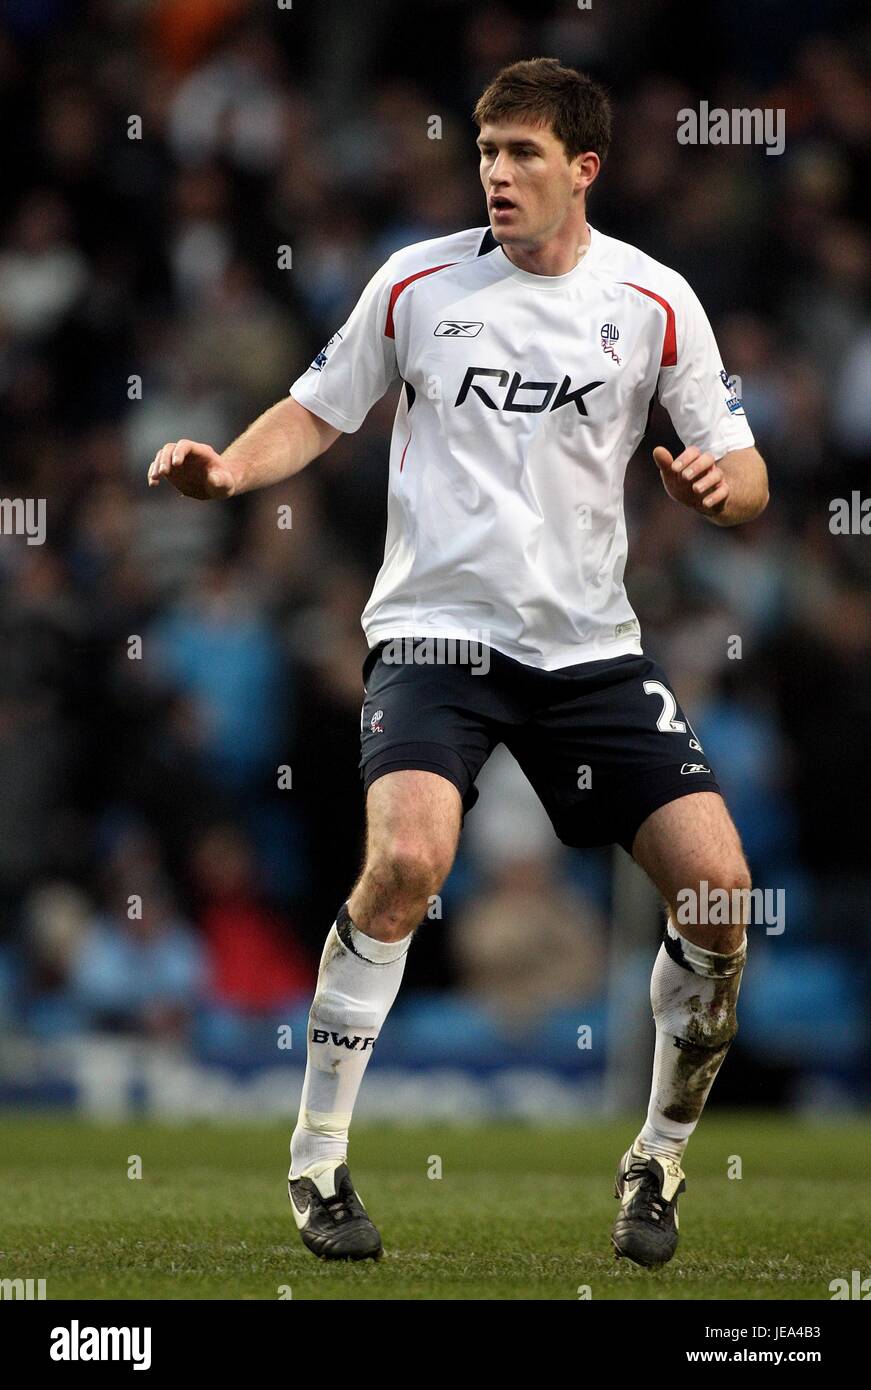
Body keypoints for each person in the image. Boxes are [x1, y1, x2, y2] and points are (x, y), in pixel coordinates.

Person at [148, 58, 768, 1268]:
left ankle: (656, 1159)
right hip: (438, 633)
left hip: (588, 646)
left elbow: (741, 464)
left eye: (524, 153)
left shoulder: (654, 301)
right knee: (407, 860)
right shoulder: (417, 284)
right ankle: (318, 1160)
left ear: (583, 168)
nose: (496, 172)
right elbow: (316, 408)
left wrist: (719, 489)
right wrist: (227, 470)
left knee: (718, 894)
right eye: (486, 150)